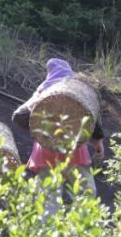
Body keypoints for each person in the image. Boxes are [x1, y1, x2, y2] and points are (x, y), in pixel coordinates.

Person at [12, 59, 105, 203]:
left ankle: (46, 225)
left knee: (47, 197)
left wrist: (39, 127)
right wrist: (98, 141)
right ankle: (81, 222)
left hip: (46, 149)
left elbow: (19, 116)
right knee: (85, 191)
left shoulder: (44, 91)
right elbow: (90, 117)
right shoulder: (76, 90)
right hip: (74, 150)